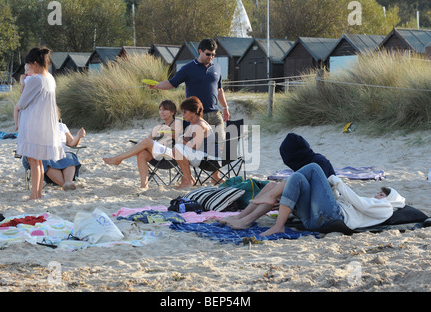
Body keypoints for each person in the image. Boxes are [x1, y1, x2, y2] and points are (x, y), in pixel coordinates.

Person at [222, 163, 405, 236]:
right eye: (379, 193)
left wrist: (336, 181)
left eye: (382, 194)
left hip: (333, 217)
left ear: (392, 200)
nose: (377, 195)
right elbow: (345, 201)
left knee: (314, 167)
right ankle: (247, 220)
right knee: (297, 178)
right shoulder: (375, 205)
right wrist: (331, 189)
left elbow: (359, 203)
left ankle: (274, 220)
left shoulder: (386, 208)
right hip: (315, 219)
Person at [148, 38, 229, 182]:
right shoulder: (188, 68)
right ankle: (188, 177)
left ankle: (215, 176)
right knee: (188, 147)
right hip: (194, 116)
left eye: (213, 54)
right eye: (208, 54)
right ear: (200, 51)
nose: (210, 57)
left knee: (219, 145)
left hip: (215, 114)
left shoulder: (217, 68)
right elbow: (171, 83)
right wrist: (157, 85)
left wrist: (226, 107)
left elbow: (220, 90)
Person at [14, 47, 65, 201]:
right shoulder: (50, 78)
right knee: (38, 161)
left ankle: (34, 195)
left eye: (29, 65)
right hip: (43, 123)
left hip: (33, 123)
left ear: (35, 63)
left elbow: (22, 103)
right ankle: (38, 193)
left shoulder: (36, 80)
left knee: (33, 161)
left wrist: (22, 83)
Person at [103, 100, 184, 188]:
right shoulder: (159, 126)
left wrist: (170, 132)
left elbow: (181, 142)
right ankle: (144, 185)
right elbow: (148, 141)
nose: (161, 112)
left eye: (165, 110)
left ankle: (118, 158)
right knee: (141, 154)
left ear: (173, 112)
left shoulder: (177, 123)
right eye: (160, 109)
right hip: (159, 158)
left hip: (173, 157)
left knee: (146, 141)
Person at [23, 113, 86, 191]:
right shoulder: (35, 126)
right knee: (46, 161)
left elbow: (72, 143)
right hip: (43, 155)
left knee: (70, 157)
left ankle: (68, 181)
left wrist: (78, 136)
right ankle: (64, 185)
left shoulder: (61, 126)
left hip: (61, 154)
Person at [173, 96, 218, 189]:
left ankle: (188, 180)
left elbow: (194, 146)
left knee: (176, 149)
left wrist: (179, 140)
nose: (183, 114)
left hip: (206, 158)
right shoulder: (193, 124)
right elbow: (185, 140)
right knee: (176, 148)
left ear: (194, 112)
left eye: (185, 112)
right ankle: (189, 178)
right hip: (200, 154)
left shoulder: (200, 125)